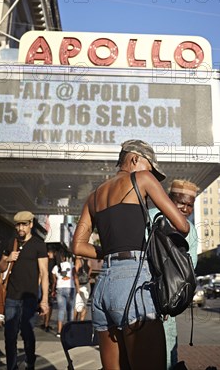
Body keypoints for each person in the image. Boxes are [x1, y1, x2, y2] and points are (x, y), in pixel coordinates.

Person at [72, 139, 189, 370]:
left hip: (103, 286)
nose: (152, 174)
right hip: (134, 282)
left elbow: (77, 246)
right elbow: (182, 226)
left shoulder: (93, 197)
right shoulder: (142, 179)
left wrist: (111, 250)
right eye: (150, 167)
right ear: (134, 159)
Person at [149, 179, 199, 369]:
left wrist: (172, 301)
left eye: (190, 205)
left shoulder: (191, 231)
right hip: (149, 296)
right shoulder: (150, 217)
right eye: (181, 203)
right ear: (169, 199)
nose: (185, 209)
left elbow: (189, 270)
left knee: (165, 350)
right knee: (165, 353)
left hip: (166, 301)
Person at [0, 211, 48, 370]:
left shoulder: (39, 244)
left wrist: (44, 300)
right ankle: (11, 367)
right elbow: (0, 267)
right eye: (18, 224)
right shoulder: (10, 242)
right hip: (12, 296)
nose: (20, 227)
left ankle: (30, 362)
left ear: (31, 225)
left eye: (24, 224)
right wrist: (7, 259)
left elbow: (44, 272)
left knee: (27, 333)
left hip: (30, 297)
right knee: (9, 335)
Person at [51, 250, 75, 338]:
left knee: (61, 310)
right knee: (70, 310)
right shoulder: (70, 265)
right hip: (70, 288)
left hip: (59, 288)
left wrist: (53, 291)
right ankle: (70, 330)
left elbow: (54, 281)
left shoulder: (55, 268)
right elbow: (74, 276)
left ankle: (59, 331)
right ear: (64, 257)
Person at [41, 246, 56, 332]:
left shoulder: (45, 262)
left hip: (44, 283)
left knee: (44, 303)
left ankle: (44, 322)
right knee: (50, 305)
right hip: (50, 285)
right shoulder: (53, 263)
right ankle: (46, 323)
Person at [74, 256, 91, 321]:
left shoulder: (78, 260)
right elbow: (90, 268)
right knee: (84, 304)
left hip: (80, 285)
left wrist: (77, 286)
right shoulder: (88, 260)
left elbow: (75, 275)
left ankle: (75, 321)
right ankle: (81, 321)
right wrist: (88, 275)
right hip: (86, 284)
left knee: (77, 304)